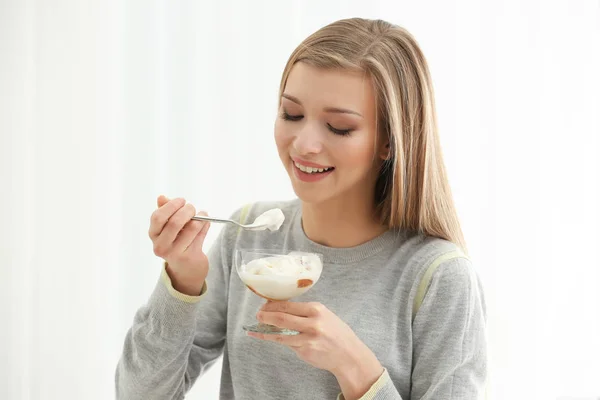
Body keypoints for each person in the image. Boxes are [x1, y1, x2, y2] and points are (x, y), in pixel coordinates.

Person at [116, 17, 487, 400]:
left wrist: (355, 368)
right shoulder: (248, 236)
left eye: (339, 127)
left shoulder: (439, 277)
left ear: (390, 142)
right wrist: (182, 281)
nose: (304, 143)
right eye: (291, 115)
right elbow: (139, 394)